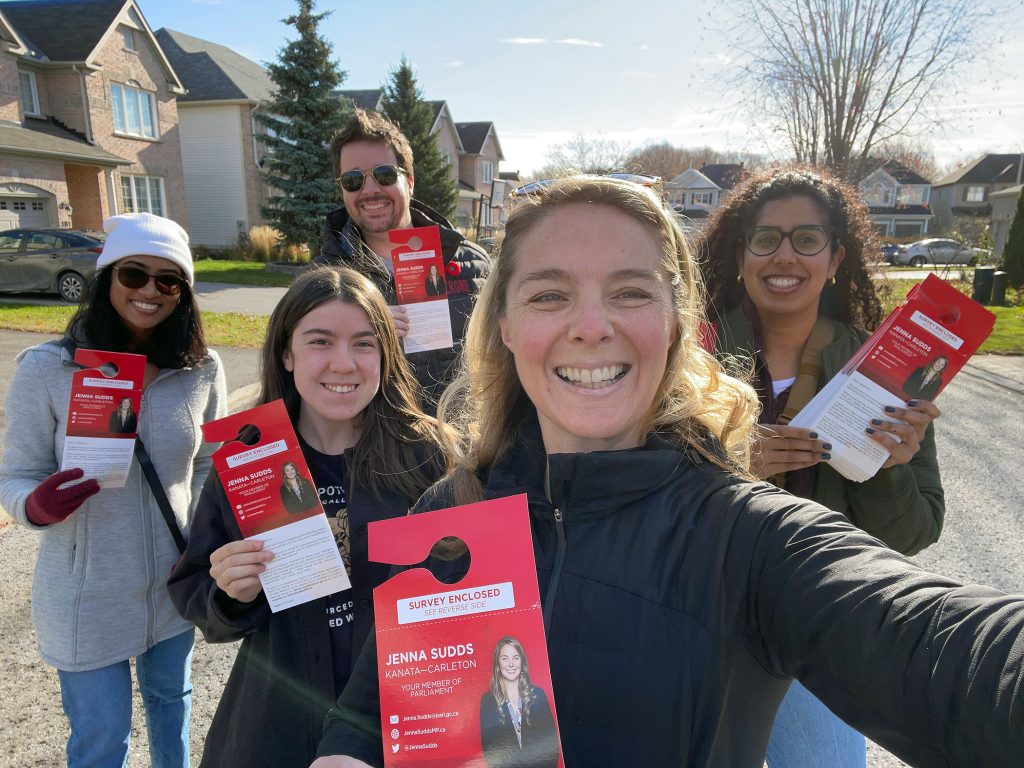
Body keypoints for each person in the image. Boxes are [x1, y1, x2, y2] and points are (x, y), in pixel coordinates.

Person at [309, 176, 1024, 768]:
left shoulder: (746, 536)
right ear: (503, 325)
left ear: (678, 324)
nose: (591, 326)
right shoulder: (450, 511)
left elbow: (947, 650)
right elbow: (374, 714)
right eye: (550, 294)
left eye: (630, 292)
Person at [699, 166, 945, 768]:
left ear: (834, 258)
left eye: (807, 239)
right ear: (740, 253)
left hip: (816, 625)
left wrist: (887, 466)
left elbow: (913, 535)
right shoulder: (689, 354)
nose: (785, 255)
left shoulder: (887, 370)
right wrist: (726, 459)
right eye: (766, 238)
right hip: (701, 617)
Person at [167, 266, 448, 768]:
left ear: (385, 355)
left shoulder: (428, 456)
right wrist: (229, 595)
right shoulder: (251, 462)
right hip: (278, 723)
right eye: (320, 341)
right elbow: (193, 590)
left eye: (364, 343)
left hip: (401, 723)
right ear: (286, 353)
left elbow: (474, 588)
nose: (344, 364)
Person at [0, 212, 226, 767]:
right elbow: (13, 474)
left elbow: (207, 467)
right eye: (134, 274)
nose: (150, 290)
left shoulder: (201, 369)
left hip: (173, 585)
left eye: (168, 280)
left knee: (172, 707)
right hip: (87, 595)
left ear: (183, 294)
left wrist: (208, 533)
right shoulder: (46, 368)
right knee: (102, 741)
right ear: (106, 279)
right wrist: (34, 505)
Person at [312, 108, 489, 410]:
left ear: (409, 181)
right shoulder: (319, 279)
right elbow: (298, 371)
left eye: (383, 175)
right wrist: (355, 331)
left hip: (462, 449)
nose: (369, 190)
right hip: (371, 451)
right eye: (352, 179)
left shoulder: (474, 265)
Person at [479, 637, 559, 768]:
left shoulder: (538, 695)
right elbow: (490, 754)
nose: (511, 664)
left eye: (516, 658)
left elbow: (551, 746)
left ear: (522, 662)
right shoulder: (487, 702)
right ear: (497, 664)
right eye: (505, 658)